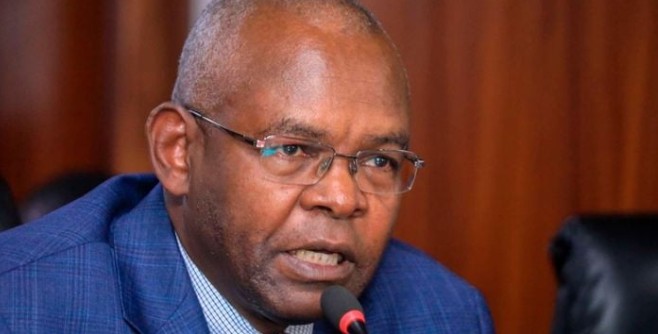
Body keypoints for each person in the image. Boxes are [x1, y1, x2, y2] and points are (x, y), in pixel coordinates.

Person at [0, 0, 494, 333]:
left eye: (379, 160)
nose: (343, 198)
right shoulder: (22, 304)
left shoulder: (442, 312)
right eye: (293, 150)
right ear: (179, 151)